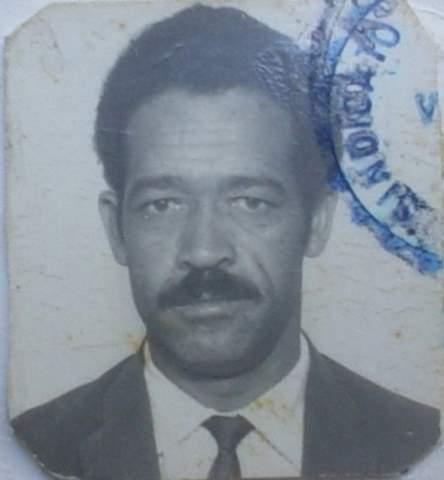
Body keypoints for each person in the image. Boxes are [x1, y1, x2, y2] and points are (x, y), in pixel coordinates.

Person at [11, 5, 440, 480]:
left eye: (249, 202)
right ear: (116, 229)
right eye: (163, 204)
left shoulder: (414, 436)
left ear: (317, 221)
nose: (203, 251)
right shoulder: (40, 443)